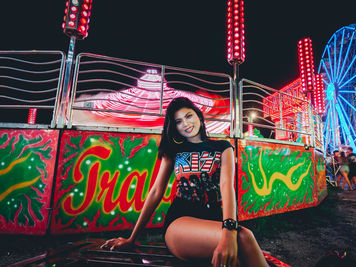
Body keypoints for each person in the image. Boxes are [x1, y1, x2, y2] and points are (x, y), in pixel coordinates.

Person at [101, 97, 268, 267]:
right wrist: (132, 238)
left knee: (240, 257)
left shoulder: (223, 148)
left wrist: (229, 228)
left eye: (188, 116)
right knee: (244, 238)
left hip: (214, 218)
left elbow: (227, 187)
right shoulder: (173, 150)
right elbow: (157, 191)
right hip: (180, 220)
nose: (186, 124)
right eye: (178, 122)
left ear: (199, 117)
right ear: (175, 128)